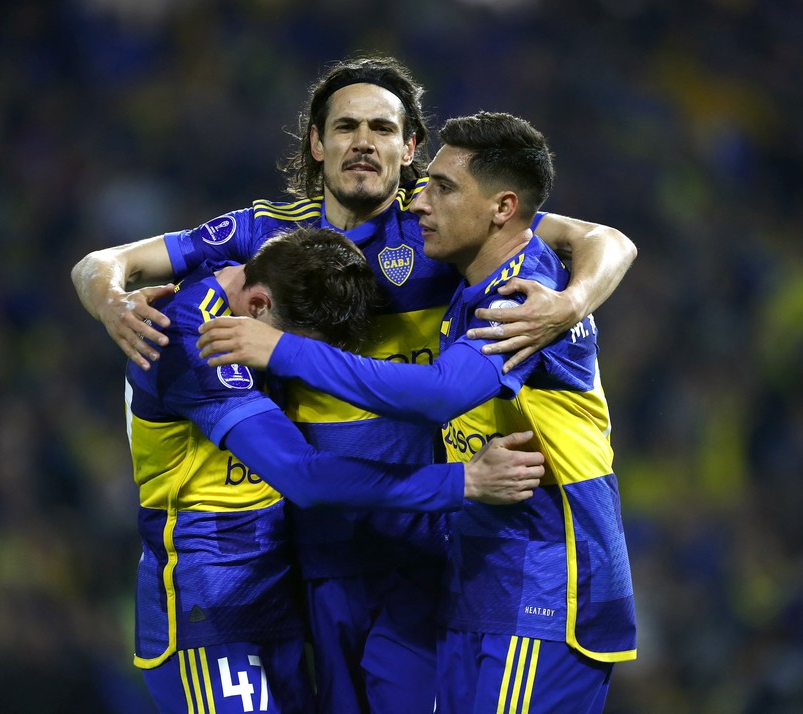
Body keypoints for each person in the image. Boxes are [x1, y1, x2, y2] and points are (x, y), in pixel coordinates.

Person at [72, 55, 636, 713]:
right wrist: (109, 298)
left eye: (381, 127)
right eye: (345, 126)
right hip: (318, 556)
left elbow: (604, 239)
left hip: (426, 549)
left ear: (411, 147)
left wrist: (572, 302)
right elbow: (105, 262)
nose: (363, 141)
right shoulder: (265, 233)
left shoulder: (443, 228)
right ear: (317, 143)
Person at [126, 226, 545, 714]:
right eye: (289, 348)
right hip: (211, 602)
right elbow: (305, 476)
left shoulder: (256, 279)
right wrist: (464, 481)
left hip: (276, 591)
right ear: (259, 307)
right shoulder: (190, 338)